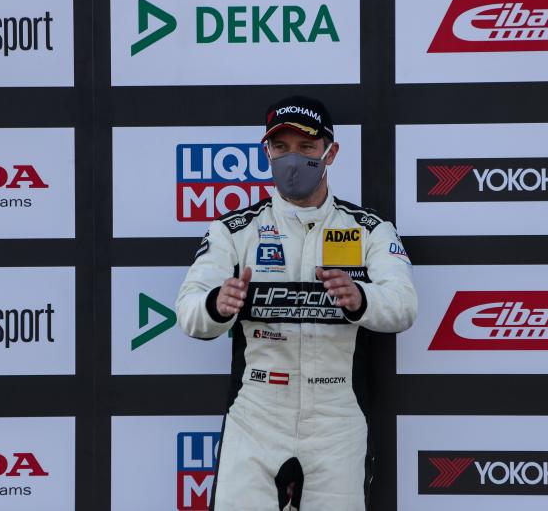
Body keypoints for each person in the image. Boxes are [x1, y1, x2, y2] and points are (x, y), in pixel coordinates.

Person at [176, 95, 417, 510]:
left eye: (306, 147)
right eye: (281, 147)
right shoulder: (234, 230)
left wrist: (361, 298)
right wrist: (217, 304)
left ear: (330, 152)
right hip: (256, 414)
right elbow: (188, 310)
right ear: (266, 152)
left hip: (337, 417)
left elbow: (403, 305)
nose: (292, 159)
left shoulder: (370, 229)